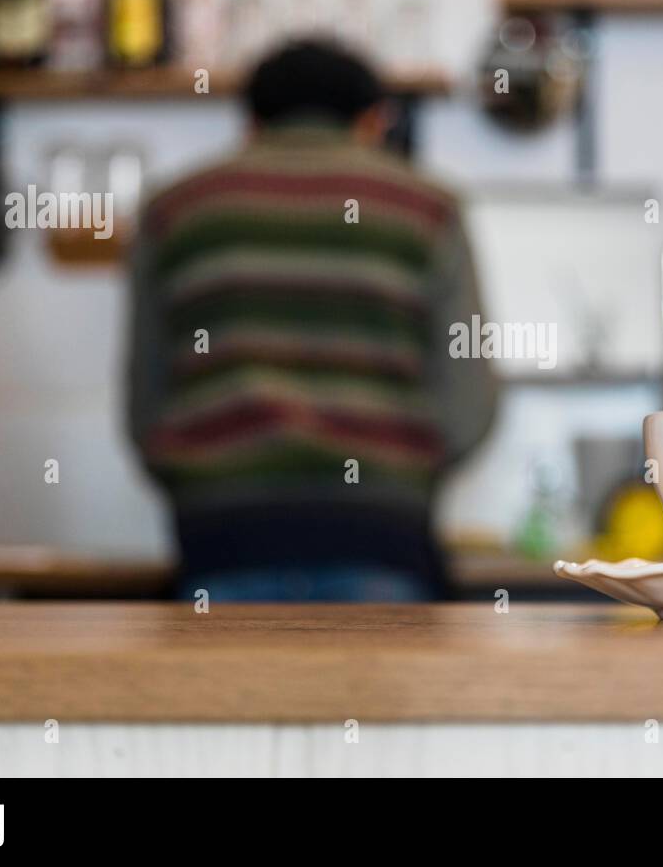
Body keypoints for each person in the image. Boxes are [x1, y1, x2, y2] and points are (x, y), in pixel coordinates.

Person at [125, 40, 497, 601]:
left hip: (220, 537)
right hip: (383, 534)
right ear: (373, 122)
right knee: (375, 694)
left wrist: (198, 478)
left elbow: (145, 400)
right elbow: (468, 403)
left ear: (250, 122)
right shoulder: (427, 209)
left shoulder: (174, 211)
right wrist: (408, 477)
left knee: (232, 694)